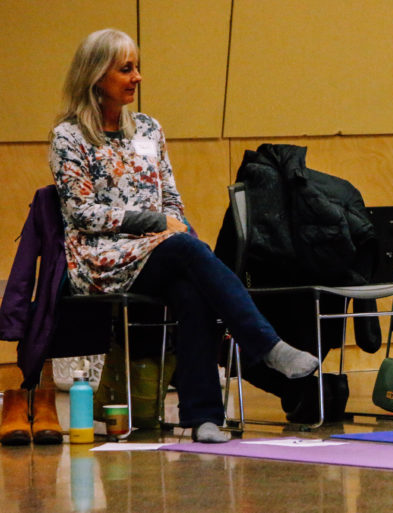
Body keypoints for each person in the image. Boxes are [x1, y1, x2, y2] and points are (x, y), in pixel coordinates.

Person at [48, 29, 318, 442]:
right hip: (100, 258)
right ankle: (265, 346)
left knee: (192, 289)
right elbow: (81, 212)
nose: (137, 77)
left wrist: (171, 222)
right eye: (126, 69)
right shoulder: (69, 136)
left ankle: (203, 418)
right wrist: (154, 223)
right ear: (96, 75)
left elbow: (170, 196)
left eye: (137, 67)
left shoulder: (148, 130)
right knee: (186, 254)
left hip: (157, 251)